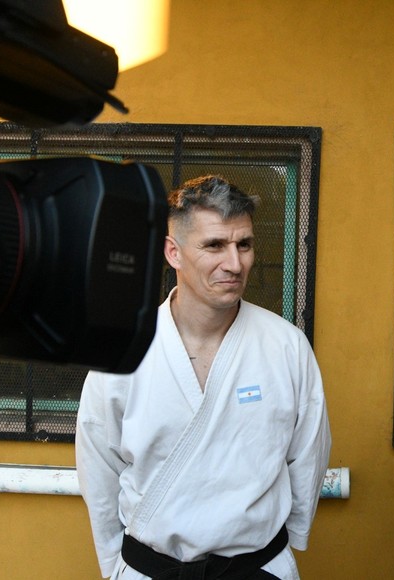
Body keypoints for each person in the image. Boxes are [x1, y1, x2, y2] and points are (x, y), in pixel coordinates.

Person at [76, 175, 331, 580]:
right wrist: (114, 561)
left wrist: (290, 537)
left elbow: (309, 454)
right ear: (173, 252)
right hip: (151, 568)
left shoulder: (286, 345)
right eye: (214, 245)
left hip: (257, 567)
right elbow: (98, 466)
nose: (235, 263)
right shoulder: (124, 349)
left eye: (243, 244)